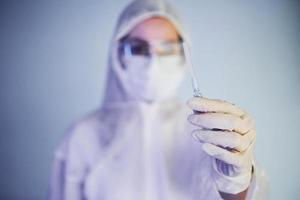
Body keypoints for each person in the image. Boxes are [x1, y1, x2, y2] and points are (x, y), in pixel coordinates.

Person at [48, 0, 268, 199]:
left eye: (168, 48)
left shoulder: (209, 133)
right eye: (138, 48)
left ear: (184, 55)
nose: (153, 62)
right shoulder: (83, 137)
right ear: (117, 55)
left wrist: (237, 180)